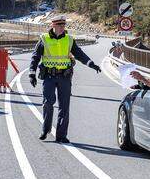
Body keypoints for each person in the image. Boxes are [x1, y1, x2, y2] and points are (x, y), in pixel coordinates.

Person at [29, 15, 101, 143]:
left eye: (63, 25)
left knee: (64, 106)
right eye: (60, 25)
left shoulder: (69, 39)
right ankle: (45, 130)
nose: (62, 28)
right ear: (53, 26)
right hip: (49, 76)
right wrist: (32, 73)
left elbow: (79, 54)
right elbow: (35, 57)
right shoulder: (44, 39)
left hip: (64, 77)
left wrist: (91, 63)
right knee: (47, 103)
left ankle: (61, 135)